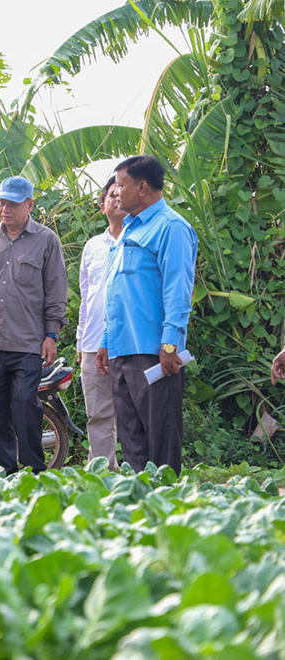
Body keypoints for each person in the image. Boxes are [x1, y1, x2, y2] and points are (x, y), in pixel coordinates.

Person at [96, 155, 198, 475]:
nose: (115, 192)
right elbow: (117, 292)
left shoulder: (171, 228)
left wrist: (171, 345)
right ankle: (140, 509)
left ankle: (167, 510)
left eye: (120, 185)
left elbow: (177, 291)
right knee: (132, 441)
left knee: (161, 440)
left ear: (142, 187)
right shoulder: (128, 229)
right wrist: (105, 341)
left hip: (154, 353)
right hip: (123, 351)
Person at [0, 175, 67, 475]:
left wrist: (51, 335)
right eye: (1, 202)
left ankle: (34, 471)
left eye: (12, 203)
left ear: (30, 205)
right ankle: (3, 473)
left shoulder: (46, 240)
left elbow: (56, 291)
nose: (4, 208)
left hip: (28, 342)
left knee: (24, 407)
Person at [76, 177, 124, 470]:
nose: (118, 200)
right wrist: (82, 342)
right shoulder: (93, 246)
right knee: (98, 413)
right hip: (94, 343)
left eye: (122, 193)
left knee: (136, 412)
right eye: (111, 195)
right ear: (102, 203)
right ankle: (103, 470)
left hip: (132, 342)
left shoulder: (143, 238)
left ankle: (140, 470)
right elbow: (86, 296)